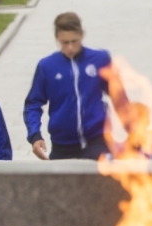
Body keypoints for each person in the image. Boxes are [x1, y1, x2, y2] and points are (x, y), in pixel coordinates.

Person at [24, 12, 129, 160]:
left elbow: (119, 97)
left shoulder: (100, 59)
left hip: (97, 141)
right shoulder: (47, 66)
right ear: (57, 38)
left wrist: (133, 130)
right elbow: (33, 104)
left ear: (82, 35)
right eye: (65, 43)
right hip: (63, 146)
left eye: (75, 41)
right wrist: (35, 135)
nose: (71, 47)